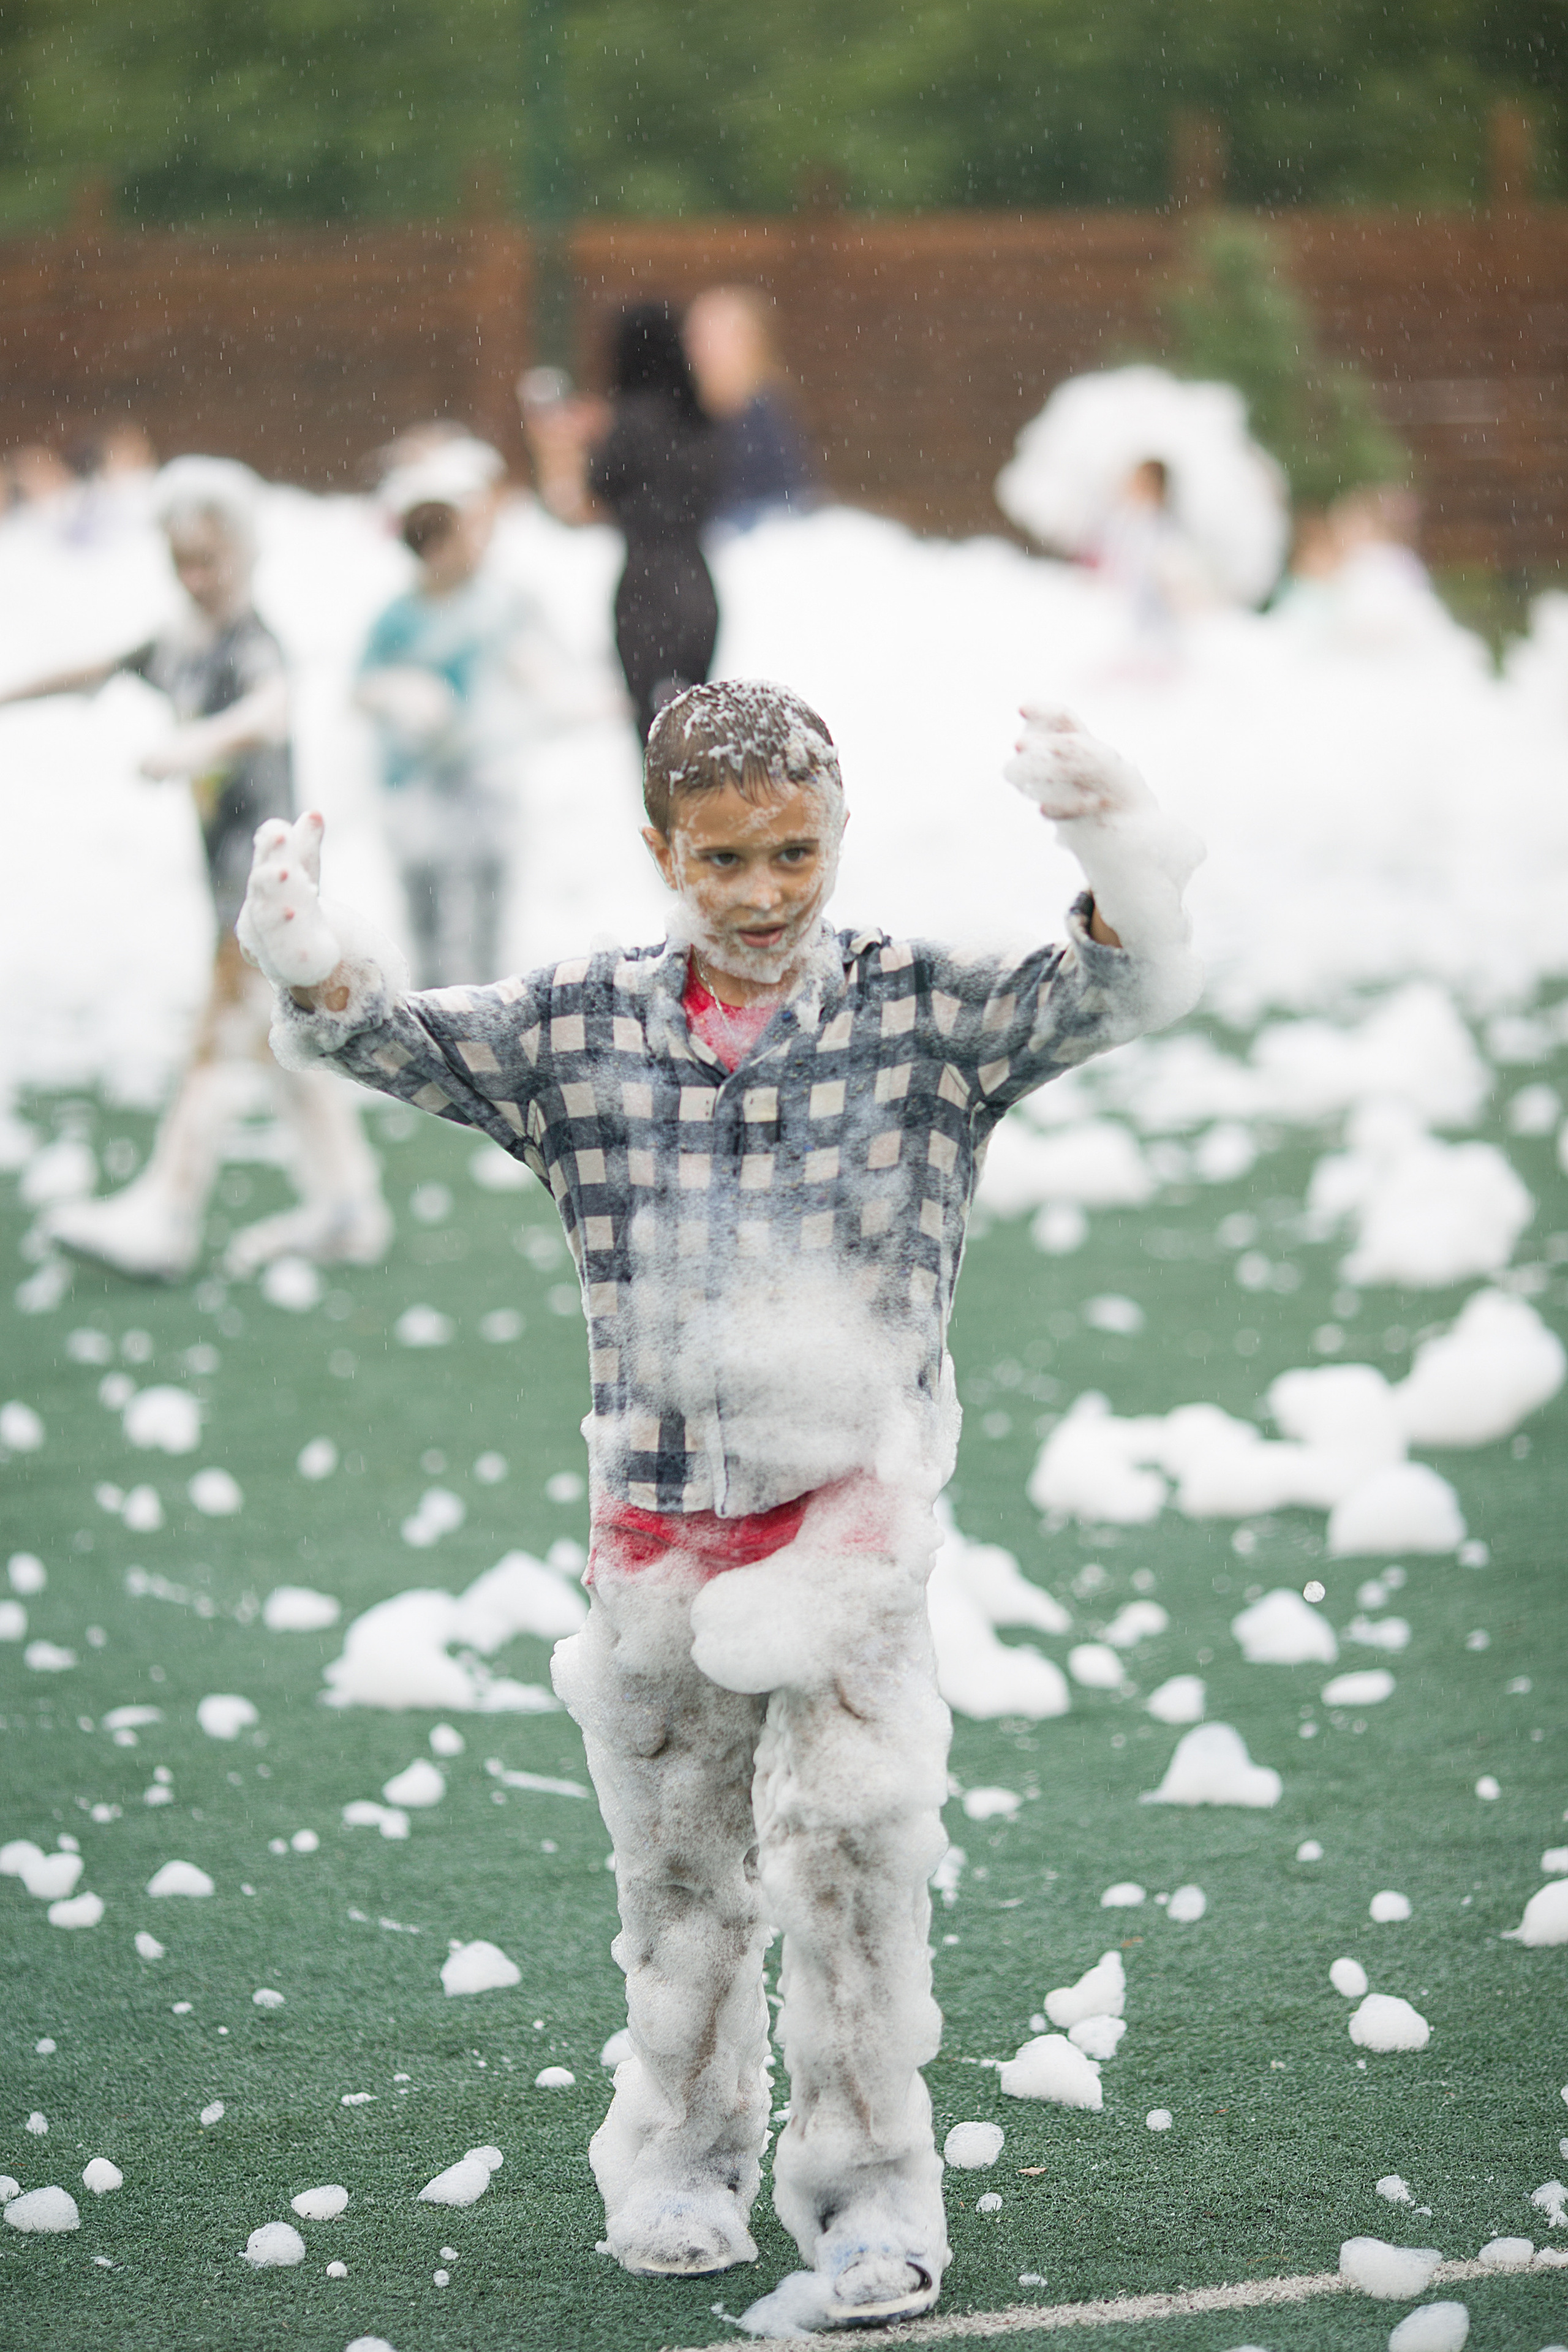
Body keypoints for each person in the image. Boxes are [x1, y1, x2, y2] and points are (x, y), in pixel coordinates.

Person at [236, 682, 1200, 2329]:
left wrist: (1119, 848)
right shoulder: (581, 1025)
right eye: (727, 859)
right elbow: (386, 1037)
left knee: (850, 1871)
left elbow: (1110, 989)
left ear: (839, 840)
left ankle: (872, 2195)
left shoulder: (918, 1010)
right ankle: (681, 2158)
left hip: (851, 1529)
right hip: (661, 1536)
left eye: (798, 855)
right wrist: (312, 956)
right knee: (679, 1884)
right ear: (660, 850)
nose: (765, 894)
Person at [0, 456, 389, 1281]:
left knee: (219, 1042)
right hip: (227, 891)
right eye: (182, 561)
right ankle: (348, 1202)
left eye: (211, 559)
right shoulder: (179, 643)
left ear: (246, 553)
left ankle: (170, 1210)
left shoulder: (253, 646)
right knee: (288, 1045)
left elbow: (270, 710)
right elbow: (94, 672)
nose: (197, 577)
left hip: (274, 892)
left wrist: (191, 747)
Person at [358, 435, 540, 989]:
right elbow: (361, 687)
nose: (476, 547)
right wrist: (403, 693)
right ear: (430, 547)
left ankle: (488, 998)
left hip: (481, 774)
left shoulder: (494, 603)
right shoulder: (398, 617)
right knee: (427, 899)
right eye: (462, 537)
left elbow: (530, 665)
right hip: (416, 780)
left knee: (487, 893)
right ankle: (433, 998)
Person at [522, 302, 722, 741]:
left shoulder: (629, 424)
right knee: (695, 739)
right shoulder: (701, 422)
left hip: (645, 591)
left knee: (652, 739)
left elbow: (577, 508)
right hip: (699, 587)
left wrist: (557, 447)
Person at [683, 285, 818, 531]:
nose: (696, 351)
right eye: (693, 338)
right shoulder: (695, 414)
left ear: (748, 340)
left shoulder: (764, 417)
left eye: (709, 338)